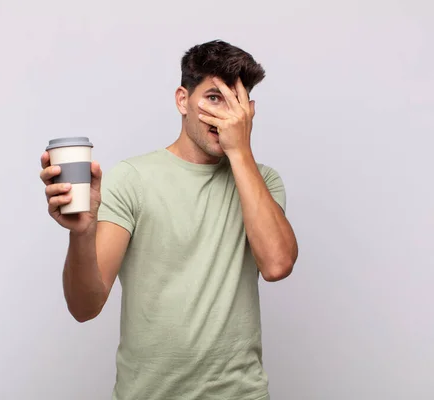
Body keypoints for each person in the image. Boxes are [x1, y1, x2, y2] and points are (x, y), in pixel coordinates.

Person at [39, 39, 298, 400]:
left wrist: (240, 150)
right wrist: (81, 234)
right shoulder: (133, 178)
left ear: (249, 112)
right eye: (213, 97)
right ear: (182, 100)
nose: (225, 115)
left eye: (235, 102)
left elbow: (276, 265)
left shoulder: (263, 181)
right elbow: (85, 307)